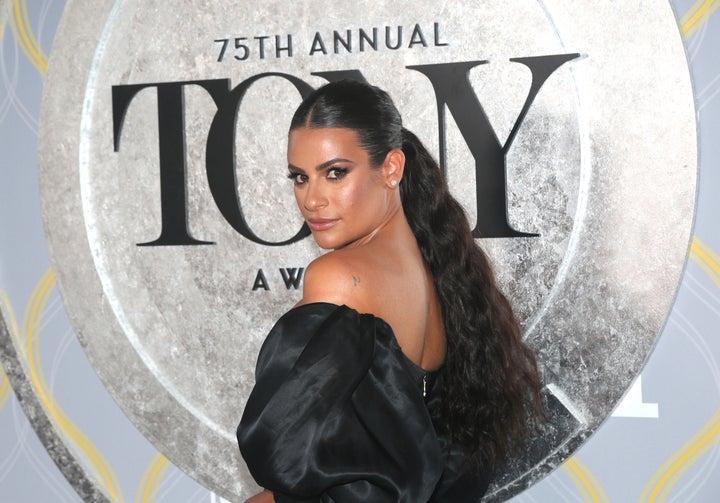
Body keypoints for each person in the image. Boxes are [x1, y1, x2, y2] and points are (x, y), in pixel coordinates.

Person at [237, 80, 542, 503]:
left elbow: (286, 456)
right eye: (300, 178)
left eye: (335, 173)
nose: (312, 199)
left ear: (392, 168)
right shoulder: (434, 267)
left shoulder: (339, 277)